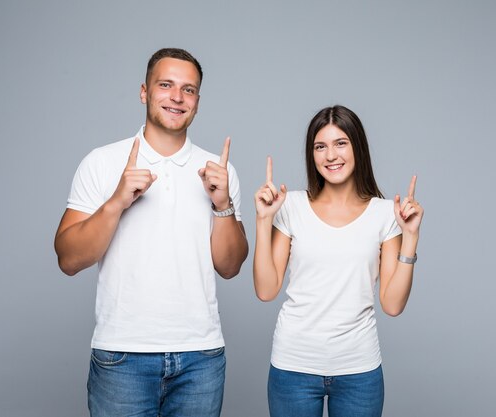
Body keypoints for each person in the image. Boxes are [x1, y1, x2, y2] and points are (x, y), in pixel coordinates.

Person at [54, 48, 248, 417]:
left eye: (188, 90)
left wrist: (222, 203)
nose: (177, 97)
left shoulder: (219, 171)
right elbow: (68, 259)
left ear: (197, 102)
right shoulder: (102, 162)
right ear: (144, 92)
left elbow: (230, 266)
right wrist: (115, 202)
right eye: (166, 85)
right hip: (122, 356)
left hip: (200, 358)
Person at [253, 105, 424, 417]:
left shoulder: (386, 214)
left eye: (340, 143)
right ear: (312, 154)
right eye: (320, 146)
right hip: (293, 367)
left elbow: (393, 305)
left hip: (359, 371)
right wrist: (264, 221)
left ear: (357, 146)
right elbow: (266, 290)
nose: (330, 155)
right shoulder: (289, 205)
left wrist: (410, 236)